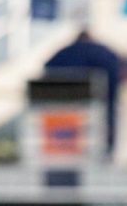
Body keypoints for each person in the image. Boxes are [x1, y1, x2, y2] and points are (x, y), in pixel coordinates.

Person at [44, 28, 121, 156]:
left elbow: (48, 70)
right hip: (99, 101)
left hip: (66, 104)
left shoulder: (64, 53)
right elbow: (114, 76)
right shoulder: (104, 53)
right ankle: (107, 150)